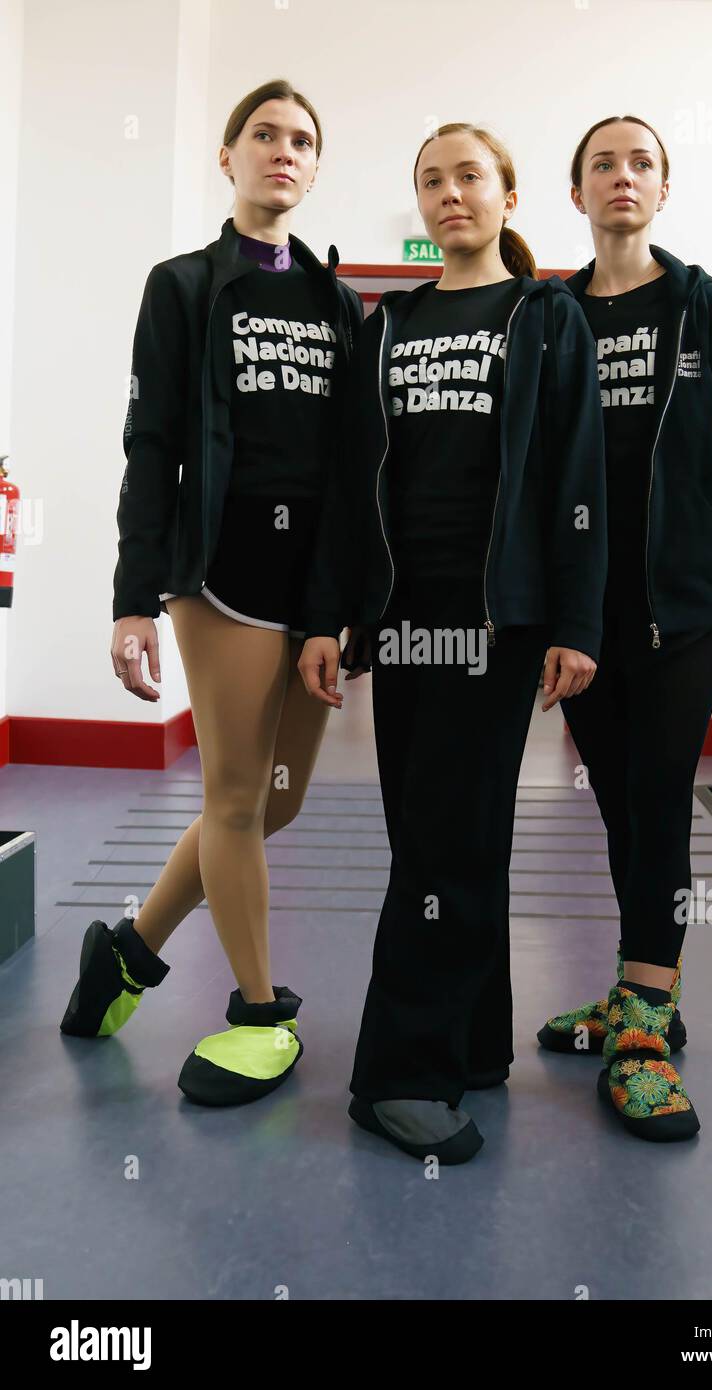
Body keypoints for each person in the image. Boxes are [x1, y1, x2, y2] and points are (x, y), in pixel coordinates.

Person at [300, 123, 607, 1163]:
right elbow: (349, 486)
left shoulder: (542, 316)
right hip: (404, 617)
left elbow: (576, 477)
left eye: (467, 176)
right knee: (441, 834)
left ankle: (399, 1073)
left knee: (452, 838)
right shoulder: (386, 326)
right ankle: (469, 1038)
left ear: (507, 195)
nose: (447, 195)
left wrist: (574, 619)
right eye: (429, 180)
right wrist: (326, 614)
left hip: (495, 621)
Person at [60, 79, 363, 1108]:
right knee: (232, 795)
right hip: (219, 577)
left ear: (316, 169)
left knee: (271, 806)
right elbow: (150, 445)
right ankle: (257, 1010)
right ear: (227, 158)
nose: (283, 152)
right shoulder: (182, 286)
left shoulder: (340, 304)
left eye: (301, 141)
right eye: (264, 135)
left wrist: (341, 601)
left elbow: (352, 464)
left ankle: (129, 952)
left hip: (310, 585)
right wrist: (133, 593)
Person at [537, 115, 712, 1142]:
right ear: (574, 192)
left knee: (659, 797)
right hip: (584, 617)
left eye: (639, 163)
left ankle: (640, 1029)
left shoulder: (702, 310)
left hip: (679, 611)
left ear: (660, 189)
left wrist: (695, 568)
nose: (620, 177)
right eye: (601, 164)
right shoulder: (552, 316)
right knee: (619, 806)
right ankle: (638, 990)